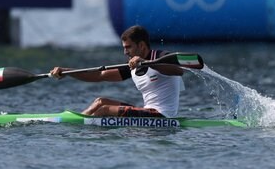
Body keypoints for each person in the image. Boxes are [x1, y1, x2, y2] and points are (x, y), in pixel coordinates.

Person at [50, 25, 185, 117]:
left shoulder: (161, 56)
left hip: (162, 115)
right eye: (124, 48)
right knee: (100, 102)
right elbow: (99, 75)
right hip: (147, 112)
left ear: (142, 45)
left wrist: (146, 63)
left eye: (128, 47)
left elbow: (178, 71)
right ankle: (79, 119)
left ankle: (83, 131)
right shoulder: (132, 65)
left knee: (105, 110)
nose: (125, 52)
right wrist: (66, 72)